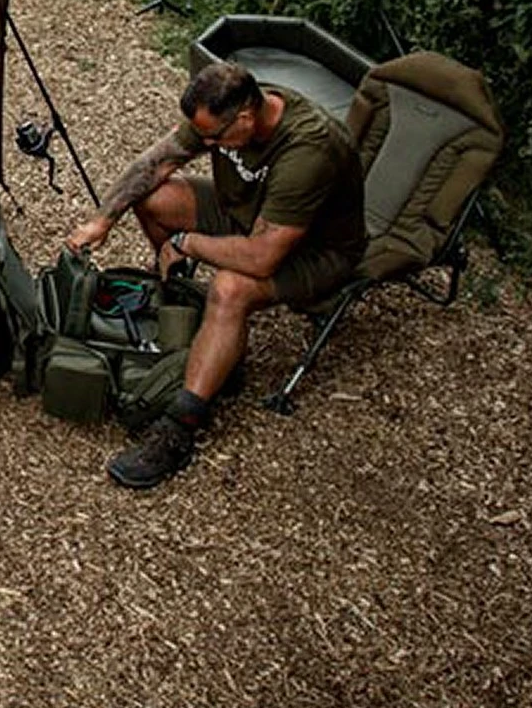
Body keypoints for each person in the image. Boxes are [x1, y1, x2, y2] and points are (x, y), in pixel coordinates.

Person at [67, 60, 365, 489]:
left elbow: (261, 258)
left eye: (213, 138)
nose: (204, 144)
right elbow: (154, 163)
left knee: (228, 288)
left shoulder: (307, 151)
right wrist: (103, 220)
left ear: (245, 118)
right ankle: (193, 313)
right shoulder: (227, 110)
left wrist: (186, 243)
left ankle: (180, 427)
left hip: (318, 252)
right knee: (154, 199)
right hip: (249, 214)